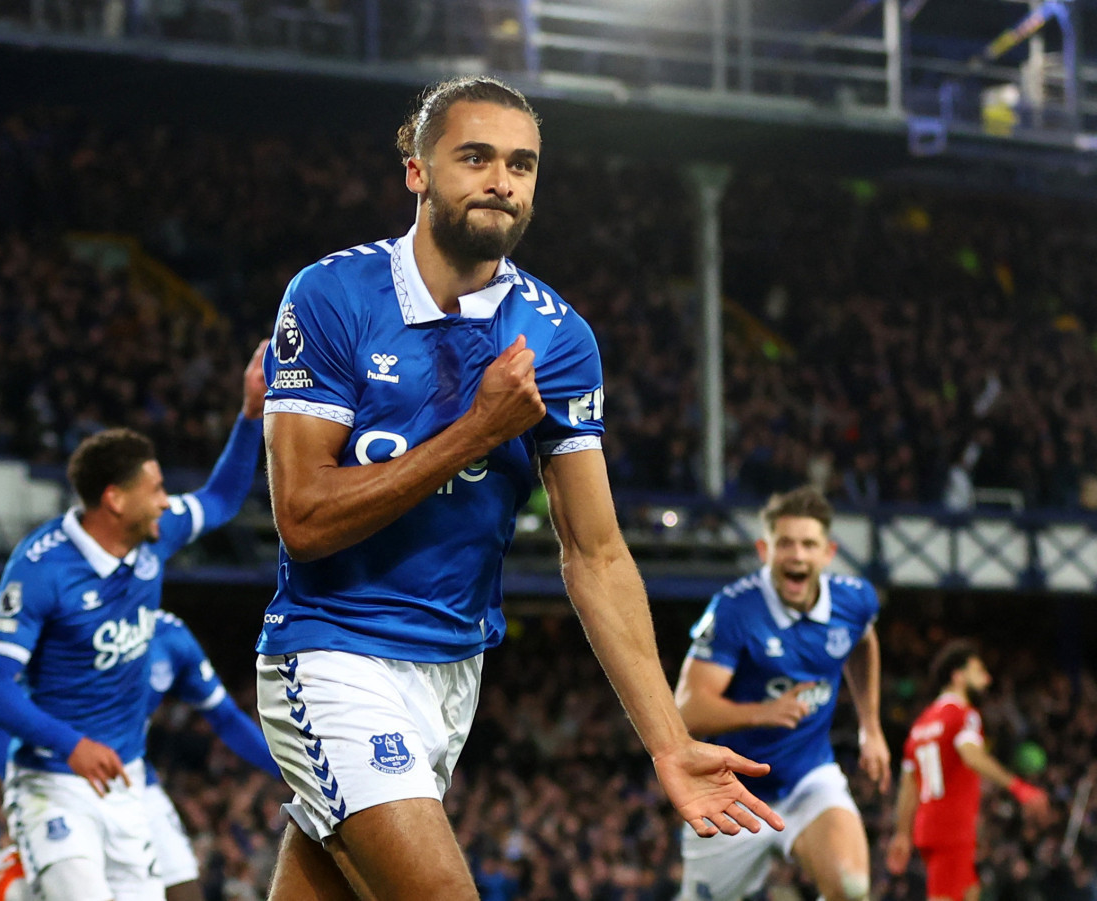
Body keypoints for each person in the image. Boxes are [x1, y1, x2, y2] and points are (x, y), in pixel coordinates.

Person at [253, 74, 784, 901]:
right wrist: (476, 430)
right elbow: (305, 518)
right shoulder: (331, 297)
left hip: (453, 676)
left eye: (523, 164)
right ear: (417, 170)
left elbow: (597, 552)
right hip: (333, 654)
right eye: (476, 157)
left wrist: (669, 741)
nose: (503, 180)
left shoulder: (559, 338)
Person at [0, 341, 267, 901]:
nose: (165, 501)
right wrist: (71, 743)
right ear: (115, 500)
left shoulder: (154, 535)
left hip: (126, 786)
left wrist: (250, 415)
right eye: (154, 489)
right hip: (54, 783)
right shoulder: (41, 570)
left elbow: (222, 498)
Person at [0, 608, 282, 901]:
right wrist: (32, 797)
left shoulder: (170, 639)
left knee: (185, 891)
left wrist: (289, 771)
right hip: (61, 782)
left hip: (132, 780)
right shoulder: (66, 635)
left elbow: (225, 717)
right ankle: (13, 889)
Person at [674, 485, 889, 901]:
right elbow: (687, 710)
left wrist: (871, 725)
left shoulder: (855, 600)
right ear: (763, 550)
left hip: (809, 778)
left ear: (828, 552)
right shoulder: (735, 610)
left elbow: (864, 642)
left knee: (852, 887)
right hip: (729, 791)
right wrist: (764, 712)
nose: (797, 555)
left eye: (809, 544)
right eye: (785, 543)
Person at [885, 640, 1049, 901]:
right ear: (958, 676)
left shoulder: (921, 724)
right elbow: (972, 756)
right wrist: (1020, 788)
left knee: (970, 893)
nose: (987, 678)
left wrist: (902, 834)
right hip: (952, 828)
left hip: (929, 827)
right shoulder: (963, 715)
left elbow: (908, 784)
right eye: (979, 671)